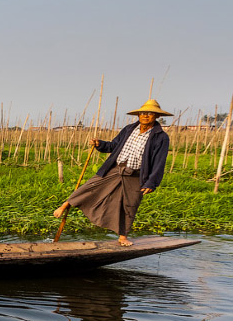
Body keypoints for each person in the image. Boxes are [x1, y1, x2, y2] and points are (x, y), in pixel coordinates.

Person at [52, 98, 172, 246]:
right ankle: (66, 204)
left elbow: (159, 162)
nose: (145, 116)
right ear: (138, 115)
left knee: (130, 205)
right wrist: (100, 144)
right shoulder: (129, 129)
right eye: (142, 113)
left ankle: (123, 236)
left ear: (157, 116)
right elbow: (113, 146)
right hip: (116, 168)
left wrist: (151, 182)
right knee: (92, 186)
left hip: (136, 175)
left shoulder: (161, 137)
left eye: (150, 113)